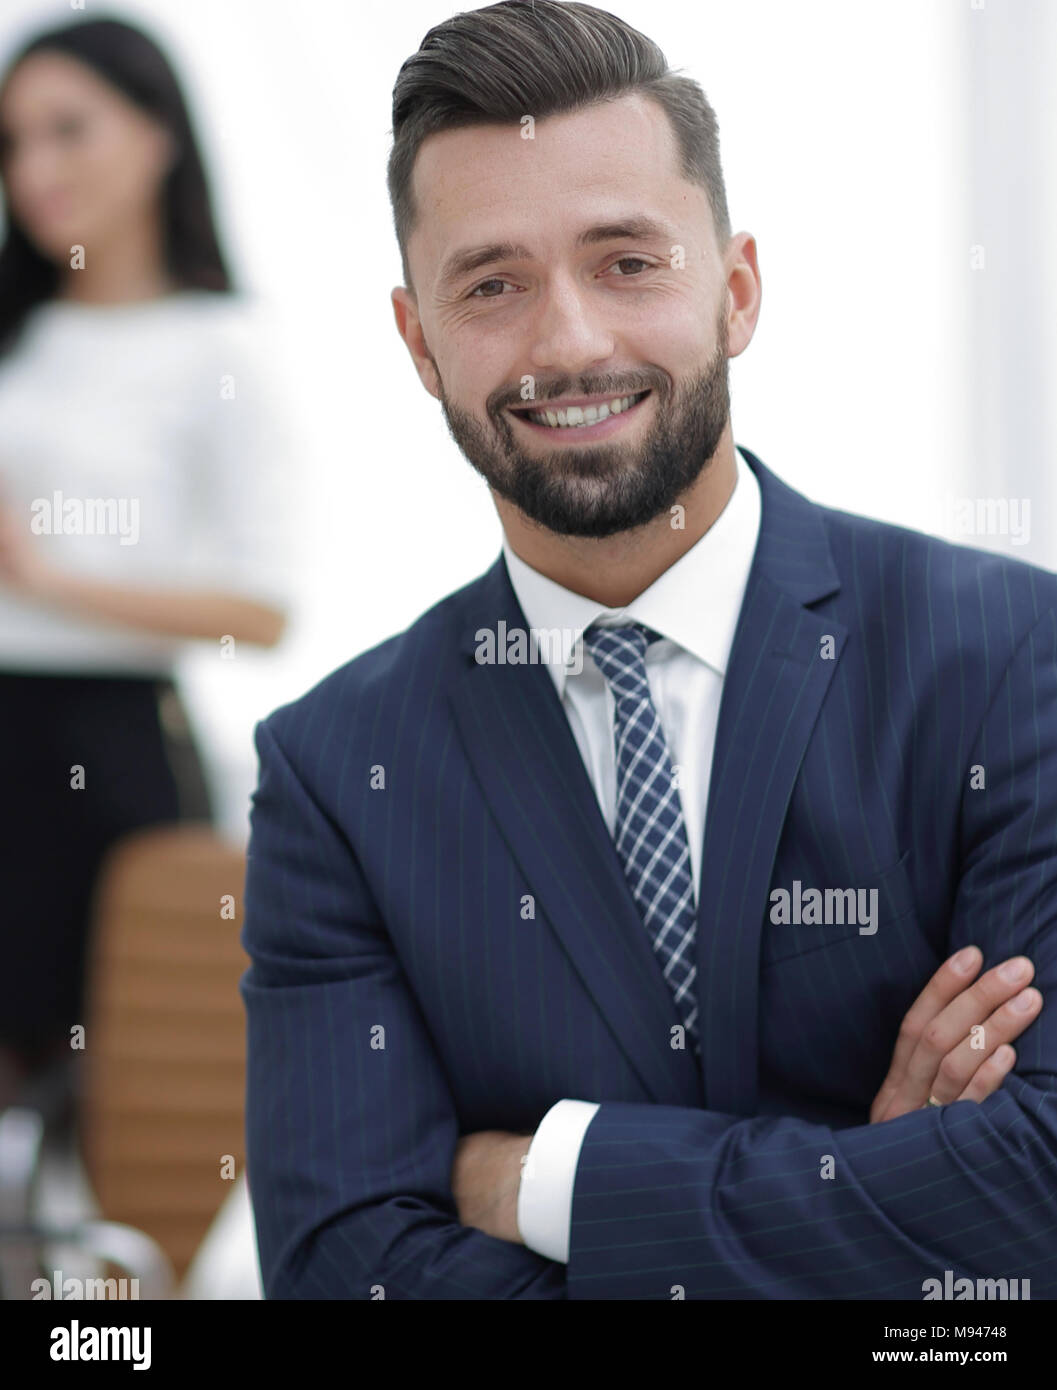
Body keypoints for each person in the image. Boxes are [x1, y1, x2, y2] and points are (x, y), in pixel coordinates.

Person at [240, 0, 1055, 1299]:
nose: (567, 342)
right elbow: (350, 1268)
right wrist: (866, 1188)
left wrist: (546, 1178)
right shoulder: (340, 769)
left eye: (627, 260)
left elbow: (1035, 1186)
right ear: (418, 341)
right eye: (493, 283)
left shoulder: (1008, 655)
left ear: (734, 290)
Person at [0, 18, 290, 1114]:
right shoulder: (15, 334)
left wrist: (47, 579)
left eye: (68, 131)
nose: (35, 171)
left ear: (159, 134)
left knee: (102, 1107)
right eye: (13, 141)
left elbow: (263, 611)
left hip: (98, 757)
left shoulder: (219, 350)